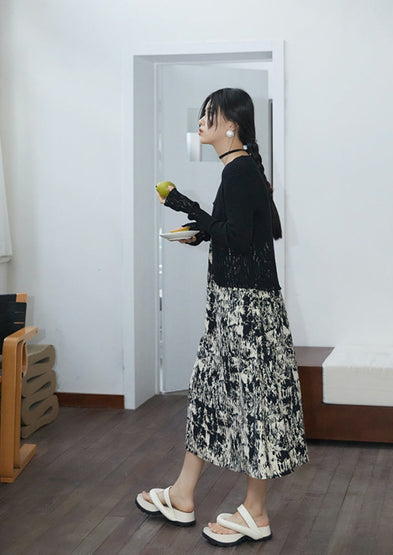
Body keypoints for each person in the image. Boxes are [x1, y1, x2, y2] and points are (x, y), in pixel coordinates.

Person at [136, 88, 308, 547]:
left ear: (231, 124)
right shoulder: (241, 169)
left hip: (246, 312)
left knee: (257, 405)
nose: (201, 121)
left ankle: (255, 510)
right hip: (233, 305)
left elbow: (242, 237)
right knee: (210, 395)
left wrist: (186, 207)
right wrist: (203, 231)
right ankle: (183, 493)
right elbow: (250, 230)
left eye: (209, 114)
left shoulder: (240, 169)